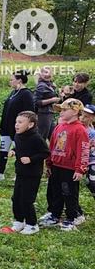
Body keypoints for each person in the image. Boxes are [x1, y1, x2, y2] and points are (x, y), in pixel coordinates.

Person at [38, 99, 89, 231]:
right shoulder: (59, 126)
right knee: (55, 191)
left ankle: (72, 217)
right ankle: (54, 214)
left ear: (75, 111)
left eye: (65, 110)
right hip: (56, 165)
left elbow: (83, 150)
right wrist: (48, 163)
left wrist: (80, 169)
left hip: (70, 168)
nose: (61, 112)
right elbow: (52, 145)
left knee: (69, 193)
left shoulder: (80, 129)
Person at [0, 111, 49, 235]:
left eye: (20, 122)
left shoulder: (36, 138)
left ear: (31, 125)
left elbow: (45, 153)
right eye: (16, 122)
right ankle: (19, 221)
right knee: (16, 198)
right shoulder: (18, 136)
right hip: (20, 172)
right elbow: (20, 147)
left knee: (27, 200)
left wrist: (31, 159)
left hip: (32, 174)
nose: (16, 125)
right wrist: (14, 151)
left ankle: (32, 224)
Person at [0, 70, 35, 181]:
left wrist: (25, 127)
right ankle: (0, 172)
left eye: (11, 79)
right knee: (3, 150)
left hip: (18, 129)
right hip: (6, 128)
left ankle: (20, 174)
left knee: (19, 151)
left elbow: (30, 113)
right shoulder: (13, 93)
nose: (10, 81)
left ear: (19, 80)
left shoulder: (27, 94)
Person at [33, 66, 61, 140]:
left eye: (48, 72)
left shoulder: (50, 84)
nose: (46, 74)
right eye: (43, 72)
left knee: (53, 137)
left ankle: (52, 151)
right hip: (43, 114)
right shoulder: (41, 86)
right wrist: (52, 100)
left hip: (50, 114)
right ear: (40, 74)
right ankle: (39, 151)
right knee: (42, 137)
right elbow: (36, 102)